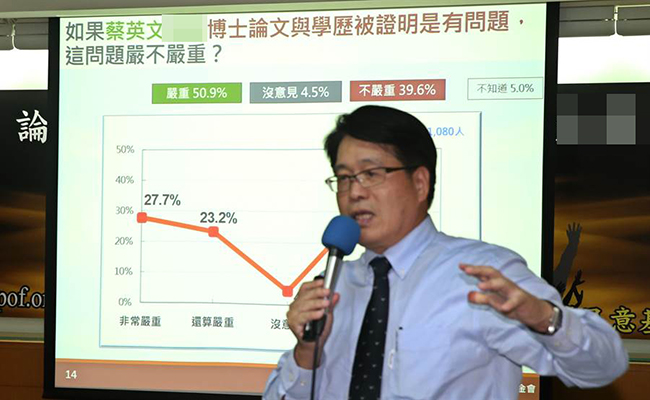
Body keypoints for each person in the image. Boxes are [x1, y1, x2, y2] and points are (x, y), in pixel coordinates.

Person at [263, 105, 628, 399]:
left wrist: (543, 316)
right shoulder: (334, 284)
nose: (354, 192)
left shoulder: (482, 274)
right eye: (344, 178)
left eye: (371, 174)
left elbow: (602, 368)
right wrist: (306, 353)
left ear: (420, 182)